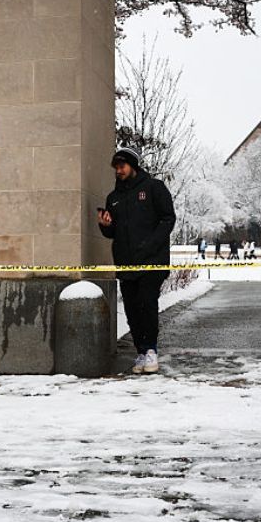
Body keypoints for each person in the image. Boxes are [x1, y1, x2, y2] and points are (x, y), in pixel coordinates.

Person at [97, 148, 175, 375]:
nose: (118, 171)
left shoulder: (154, 188)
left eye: (122, 166)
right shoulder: (114, 198)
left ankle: (151, 350)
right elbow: (112, 234)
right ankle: (141, 352)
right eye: (116, 167)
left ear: (133, 166)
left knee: (147, 304)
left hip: (152, 262)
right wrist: (105, 225)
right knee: (132, 309)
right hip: (126, 263)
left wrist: (151, 244)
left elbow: (168, 218)